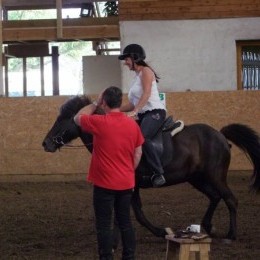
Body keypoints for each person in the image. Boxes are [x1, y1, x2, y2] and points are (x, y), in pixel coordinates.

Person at [74, 86, 144, 260]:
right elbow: (138, 153)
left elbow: (77, 118)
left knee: (104, 225)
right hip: (126, 183)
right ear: (120, 102)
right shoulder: (132, 124)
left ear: (104, 103)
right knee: (125, 222)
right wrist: (128, 171)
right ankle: (129, 257)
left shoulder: (99, 122)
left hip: (104, 185)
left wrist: (95, 102)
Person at [118, 43, 167, 187]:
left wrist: (135, 111)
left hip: (155, 112)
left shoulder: (146, 71)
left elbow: (146, 94)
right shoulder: (136, 77)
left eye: (126, 60)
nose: (125, 63)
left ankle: (158, 173)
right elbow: (132, 104)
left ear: (135, 58)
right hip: (144, 114)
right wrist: (115, 109)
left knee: (142, 137)